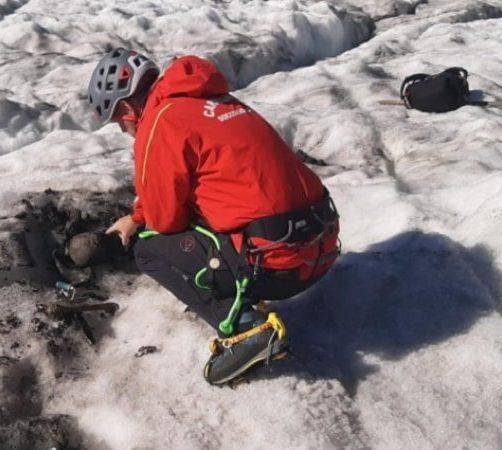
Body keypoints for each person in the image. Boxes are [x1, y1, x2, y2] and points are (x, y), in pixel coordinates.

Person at [87, 48, 340, 384]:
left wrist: (143, 223)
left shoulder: (159, 121)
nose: (125, 131)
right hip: (320, 246)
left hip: (280, 267)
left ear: (126, 108)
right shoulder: (215, 101)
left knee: (149, 250)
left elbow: (166, 221)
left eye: (120, 124)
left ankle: (245, 328)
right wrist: (136, 215)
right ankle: (245, 290)